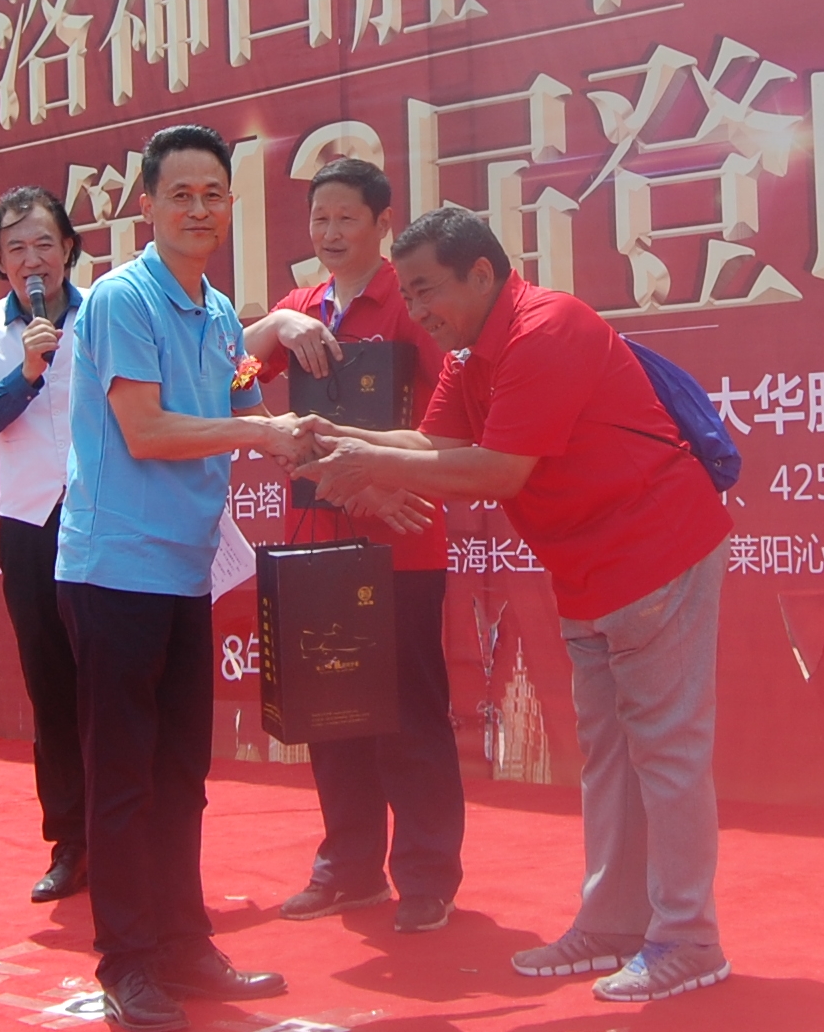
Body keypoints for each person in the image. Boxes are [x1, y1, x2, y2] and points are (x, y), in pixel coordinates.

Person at [298, 207, 735, 1004]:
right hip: (588, 570)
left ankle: (687, 937)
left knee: (666, 751)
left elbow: (498, 471)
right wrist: (341, 437)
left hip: (656, 552)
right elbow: (435, 446)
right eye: (409, 293)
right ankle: (613, 923)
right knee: (610, 752)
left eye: (426, 289)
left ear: (481, 273)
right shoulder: (471, 353)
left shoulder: (546, 329)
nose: (418, 309)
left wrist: (368, 461)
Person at [56, 125, 298, 1031]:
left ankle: (185, 943)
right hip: (113, 570)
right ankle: (127, 962)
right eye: (181, 194)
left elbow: (246, 404)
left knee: (181, 770)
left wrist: (326, 444)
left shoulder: (220, 313)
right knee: (124, 776)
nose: (198, 209)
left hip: (186, 572)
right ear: (148, 205)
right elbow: (148, 430)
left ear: (231, 205)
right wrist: (259, 432)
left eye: (213, 194)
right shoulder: (122, 299)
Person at [242, 158, 464, 934]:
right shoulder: (301, 308)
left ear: (381, 223)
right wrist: (274, 327)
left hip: (400, 538)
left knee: (409, 715)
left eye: (346, 218)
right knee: (329, 712)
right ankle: (349, 867)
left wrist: (376, 480)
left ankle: (427, 874)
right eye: (319, 219)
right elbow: (231, 383)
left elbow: (451, 418)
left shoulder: (408, 302)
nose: (330, 232)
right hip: (315, 542)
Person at [0, 184, 89, 904]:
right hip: (30, 527)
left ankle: (129, 828)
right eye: (16, 249)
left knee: (113, 679)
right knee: (51, 683)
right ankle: (71, 841)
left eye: (44, 243)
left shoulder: (106, 312)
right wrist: (27, 373)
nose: (32, 260)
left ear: (68, 247)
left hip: (103, 518)